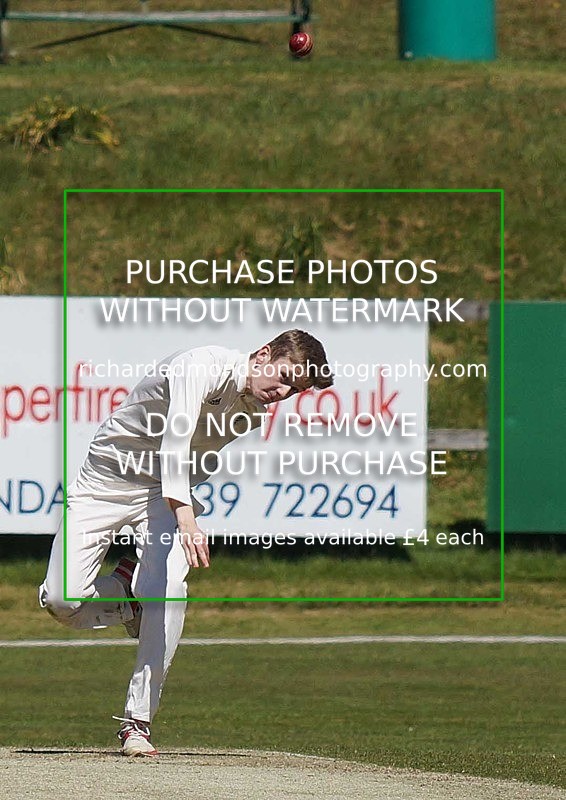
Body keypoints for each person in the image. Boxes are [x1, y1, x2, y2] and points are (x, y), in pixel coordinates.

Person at [39, 329, 333, 757]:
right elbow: (174, 441)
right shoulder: (201, 365)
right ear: (264, 353)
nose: (282, 392)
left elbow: (190, 463)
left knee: (169, 593)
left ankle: (137, 721)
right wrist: (188, 518)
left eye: (295, 390)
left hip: (162, 495)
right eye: (284, 377)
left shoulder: (250, 411)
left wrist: (176, 511)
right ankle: (126, 597)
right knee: (62, 602)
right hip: (105, 481)